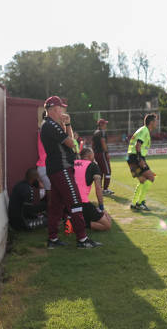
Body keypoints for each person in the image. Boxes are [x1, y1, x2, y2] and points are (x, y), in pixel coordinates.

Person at [40, 95, 101, 249]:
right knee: (75, 202)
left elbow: (71, 140)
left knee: (56, 206)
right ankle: (82, 239)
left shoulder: (50, 124)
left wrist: (67, 124)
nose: (63, 110)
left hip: (57, 169)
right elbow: (71, 143)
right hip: (61, 168)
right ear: (54, 109)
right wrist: (67, 123)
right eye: (61, 107)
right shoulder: (51, 125)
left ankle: (52, 239)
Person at [73, 148, 112, 231]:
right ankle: (77, 224)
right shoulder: (93, 165)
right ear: (90, 155)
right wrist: (101, 207)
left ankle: (73, 220)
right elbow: (98, 188)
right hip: (82, 202)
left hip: (68, 201)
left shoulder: (73, 163)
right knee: (107, 224)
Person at [127, 113, 158, 211]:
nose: (157, 123)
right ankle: (140, 203)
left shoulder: (143, 130)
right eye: (155, 121)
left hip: (132, 157)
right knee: (151, 177)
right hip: (136, 157)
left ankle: (134, 203)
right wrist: (140, 159)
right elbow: (138, 145)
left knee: (142, 180)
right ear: (151, 122)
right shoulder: (145, 130)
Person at [92, 119, 113, 195]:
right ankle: (105, 189)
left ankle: (100, 189)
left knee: (100, 172)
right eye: (104, 124)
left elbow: (92, 144)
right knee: (108, 171)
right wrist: (106, 152)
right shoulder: (102, 132)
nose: (106, 125)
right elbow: (103, 142)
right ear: (101, 125)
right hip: (102, 153)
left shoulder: (95, 132)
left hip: (96, 154)